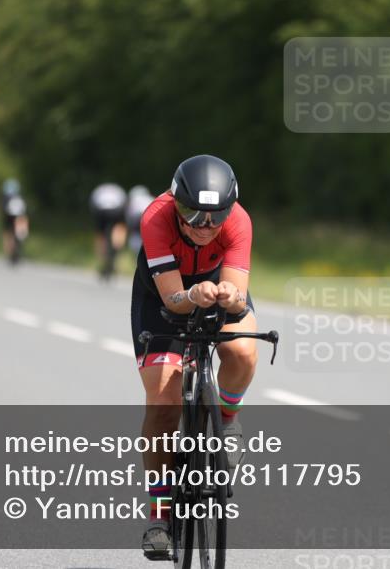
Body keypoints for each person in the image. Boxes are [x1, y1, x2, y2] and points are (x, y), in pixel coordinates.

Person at [132, 155, 256, 559]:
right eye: (191, 214)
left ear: (229, 211)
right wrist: (191, 296)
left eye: (214, 218)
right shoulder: (155, 218)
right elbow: (172, 298)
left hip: (216, 286)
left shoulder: (239, 221)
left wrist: (228, 296)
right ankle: (159, 513)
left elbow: (236, 297)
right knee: (165, 401)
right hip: (163, 298)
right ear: (175, 201)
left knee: (241, 351)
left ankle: (229, 420)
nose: (203, 227)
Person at [89, 182, 128, 279]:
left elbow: (92, 205)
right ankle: (117, 246)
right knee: (120, 227)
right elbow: (125, 205)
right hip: (116, 209)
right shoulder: (118, 190)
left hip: (100, 210)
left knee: (100, 235)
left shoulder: (99, 190)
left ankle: (101, 256)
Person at [1, 178, 29, 265]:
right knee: (20, 234)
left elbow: (4, 210)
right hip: (20, 217)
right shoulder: (20, 197)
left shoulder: (6, 197)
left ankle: (10, 251)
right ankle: (17, 248)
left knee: (8, 233)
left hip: (10, 217)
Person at [125, 185, 155, 253]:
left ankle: (137, 251)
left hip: (136, 218)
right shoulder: (150, 198)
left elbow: (129, 215)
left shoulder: (132, 200)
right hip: (150, 217)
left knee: (135, 234)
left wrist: (129, 228)